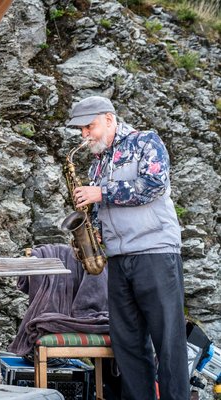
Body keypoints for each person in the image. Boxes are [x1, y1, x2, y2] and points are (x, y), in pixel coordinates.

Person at [66, 96, 189, 400]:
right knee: (128, 344)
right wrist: (88, 226)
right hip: (119, 259)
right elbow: (100, 208)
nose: (85, 134)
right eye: (81, 129)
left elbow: (154, 184)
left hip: (155, 252)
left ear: (109, 119)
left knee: (168, 344)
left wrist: (100, 192)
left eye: (88, 126)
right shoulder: (98, 162)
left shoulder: (145, 141)